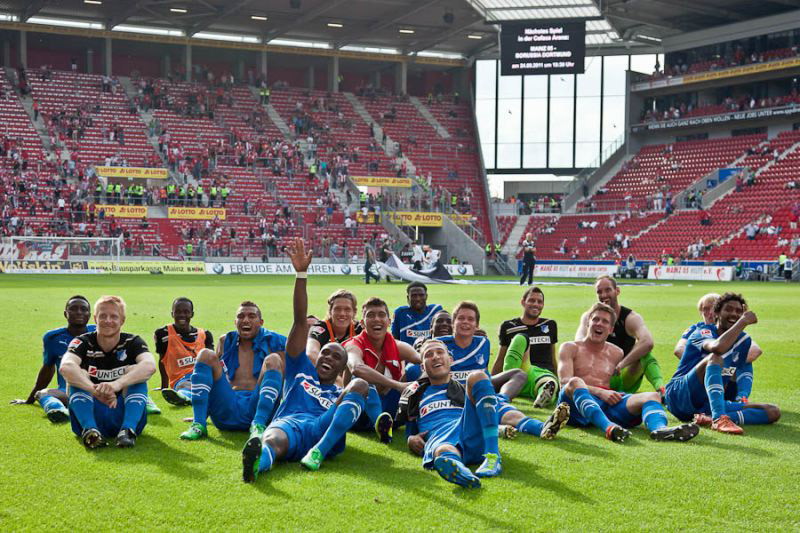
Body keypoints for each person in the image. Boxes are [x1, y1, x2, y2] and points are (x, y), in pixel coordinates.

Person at [242, 238, 371, 481]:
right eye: (325, 353)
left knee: (362, 386)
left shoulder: (338, 393)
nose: (328, 358)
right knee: (272, 440)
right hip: (289, 424)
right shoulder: (299, 370)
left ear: (342, 368)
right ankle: (257, 462)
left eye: (336, 357)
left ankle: (318, 453)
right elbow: (301, 321)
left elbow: (355, 389)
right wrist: (301, 274)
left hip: (323, 427)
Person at [396, 340, 566, 488]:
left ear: (450, 359)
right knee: (443, 451)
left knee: (478, 376)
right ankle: (461, 473)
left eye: (440, 352)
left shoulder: (464, 389)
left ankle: (492, 457)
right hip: (439, 437)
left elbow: (496, 407)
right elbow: (410, 429)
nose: (435, 357)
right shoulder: (415, 393)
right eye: (428, 355)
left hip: (468, 430)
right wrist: (411, 439)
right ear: (422, 366)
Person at [558, 303, 699, 443]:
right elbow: (565, 383)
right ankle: (608, 428)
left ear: (610, 329)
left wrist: (613, 393)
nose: (599, 324)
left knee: (652, 396)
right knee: (575, 382)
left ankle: (660, 429)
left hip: (606, 405)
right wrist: (601, 392)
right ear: (588, 323)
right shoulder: (570, 347)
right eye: (595, 319)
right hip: (573, 405)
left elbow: (642, 356)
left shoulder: (616, 352)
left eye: (605, 321)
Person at [664, 293, 780, 434]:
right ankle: (719, 419)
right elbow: (717, 348)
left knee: (773, 411)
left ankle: (710, 417)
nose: (734, 314)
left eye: (738, 311)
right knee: (715, 357)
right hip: (679, 396)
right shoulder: (702, 332)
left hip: (707, 404)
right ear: (717, 313)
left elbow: (742, 368)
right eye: (729, 309)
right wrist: (742, 322)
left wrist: (741, 398)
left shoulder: (744, 341)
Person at [179, 301, 287, 440]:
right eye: (241, 316)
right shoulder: (225, 341)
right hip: (227, 410)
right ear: (235, 321)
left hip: (259, 408)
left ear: (261, 322)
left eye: (251, 316)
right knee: (205, 354)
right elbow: (210, 377)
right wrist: (201, 412)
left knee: (273, 359)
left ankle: (258, 426)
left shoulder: (275, 342)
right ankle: (198, 424)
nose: (245, 320)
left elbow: (286, 383)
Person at [59, 296, 157, 448]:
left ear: (122, 320)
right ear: (95, 318)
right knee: (78, 375)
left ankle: (127, 430)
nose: (107, 320)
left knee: (136, 373)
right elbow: (66, 367)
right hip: (91, 410)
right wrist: (94, 390)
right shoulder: (82, 342)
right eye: (103, 316)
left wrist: (116, 385)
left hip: (123, 411)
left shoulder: (133, 341)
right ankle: (90, 430)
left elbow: (150, 365)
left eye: (114, 316)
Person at [345, 297, 421, 442]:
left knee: (415, 370)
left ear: (389, 321)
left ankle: (417, 425)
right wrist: (397, 385)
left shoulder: (398, 346)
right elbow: (356, 367)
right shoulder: (353, 345)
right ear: (362, 323)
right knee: (361, 380)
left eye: (381, 315)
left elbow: (423, 360)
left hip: (391, 412)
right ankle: (380, 425)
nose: (376, 319)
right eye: (370, 315)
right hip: (359, 416)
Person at [12, 296, 96, 423]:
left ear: (89, 314)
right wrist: (29, 400)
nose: (79, 312)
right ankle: (58, 411)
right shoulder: (52, 338)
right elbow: (47, 369)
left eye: (83, 309)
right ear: (65, 313)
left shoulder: (100, 333)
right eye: (73, 308)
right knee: (42, 393)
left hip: (97, 391)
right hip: (67, 392)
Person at [576, 276, 664, 395]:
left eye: (607, 290)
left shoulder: (630, 318)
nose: (603, 295)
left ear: (617, 291)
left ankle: (662, 390)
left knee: (645, 354)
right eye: (599, 292)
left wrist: (621, 365)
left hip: (622, 376)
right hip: (596, 378)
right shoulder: (589, 317)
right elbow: (578, 342)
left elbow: (648, 342)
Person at [673, 293, 762, 403]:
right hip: (699, 379)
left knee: (743, 357)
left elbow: (755, 351)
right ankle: (722, 410)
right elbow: (679, 349)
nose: (709, 313)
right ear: (700, 312)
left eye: (712, 308)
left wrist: (726, 364)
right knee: (717, 358)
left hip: (725, 379)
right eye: (705, 309)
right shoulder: (696, 329)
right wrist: (706, 364)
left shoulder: (733, 333)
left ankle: (742, 399)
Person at [492, 286, 559, 408]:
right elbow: (501, 358)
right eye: (532, 300)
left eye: (539, 302)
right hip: (520, 370)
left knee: (549, 382)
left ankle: (543, 395)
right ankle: (510, 383)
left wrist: (559, 379)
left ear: (543, 305)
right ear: (523, 302)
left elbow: (553, 356)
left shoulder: (550, 325)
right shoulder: (509, 326)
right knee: (520, 338)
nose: (536, 304)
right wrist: (492, 381)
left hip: (542, 373)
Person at [153, 297, 214, 406]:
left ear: (192, 314)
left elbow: (213, 362)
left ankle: (187, 397)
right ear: (172, 314)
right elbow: (162, 361)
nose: (182, 315)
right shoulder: (163, 334)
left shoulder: (205, 334)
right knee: (185, 386)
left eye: (186, 312)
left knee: (205, 384)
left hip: (203, 376)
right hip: (181, 379)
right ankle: (186, 396)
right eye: (178, 312)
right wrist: (164, 387)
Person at [306, 289, 363, 363]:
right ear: (330, 311)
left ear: (354, 312)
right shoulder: (320, 328)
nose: (342, 313)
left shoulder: (359, 329)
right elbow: (311, 354)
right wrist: (334, 373)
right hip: (324, 371)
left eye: (347, 309)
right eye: (337, 309)